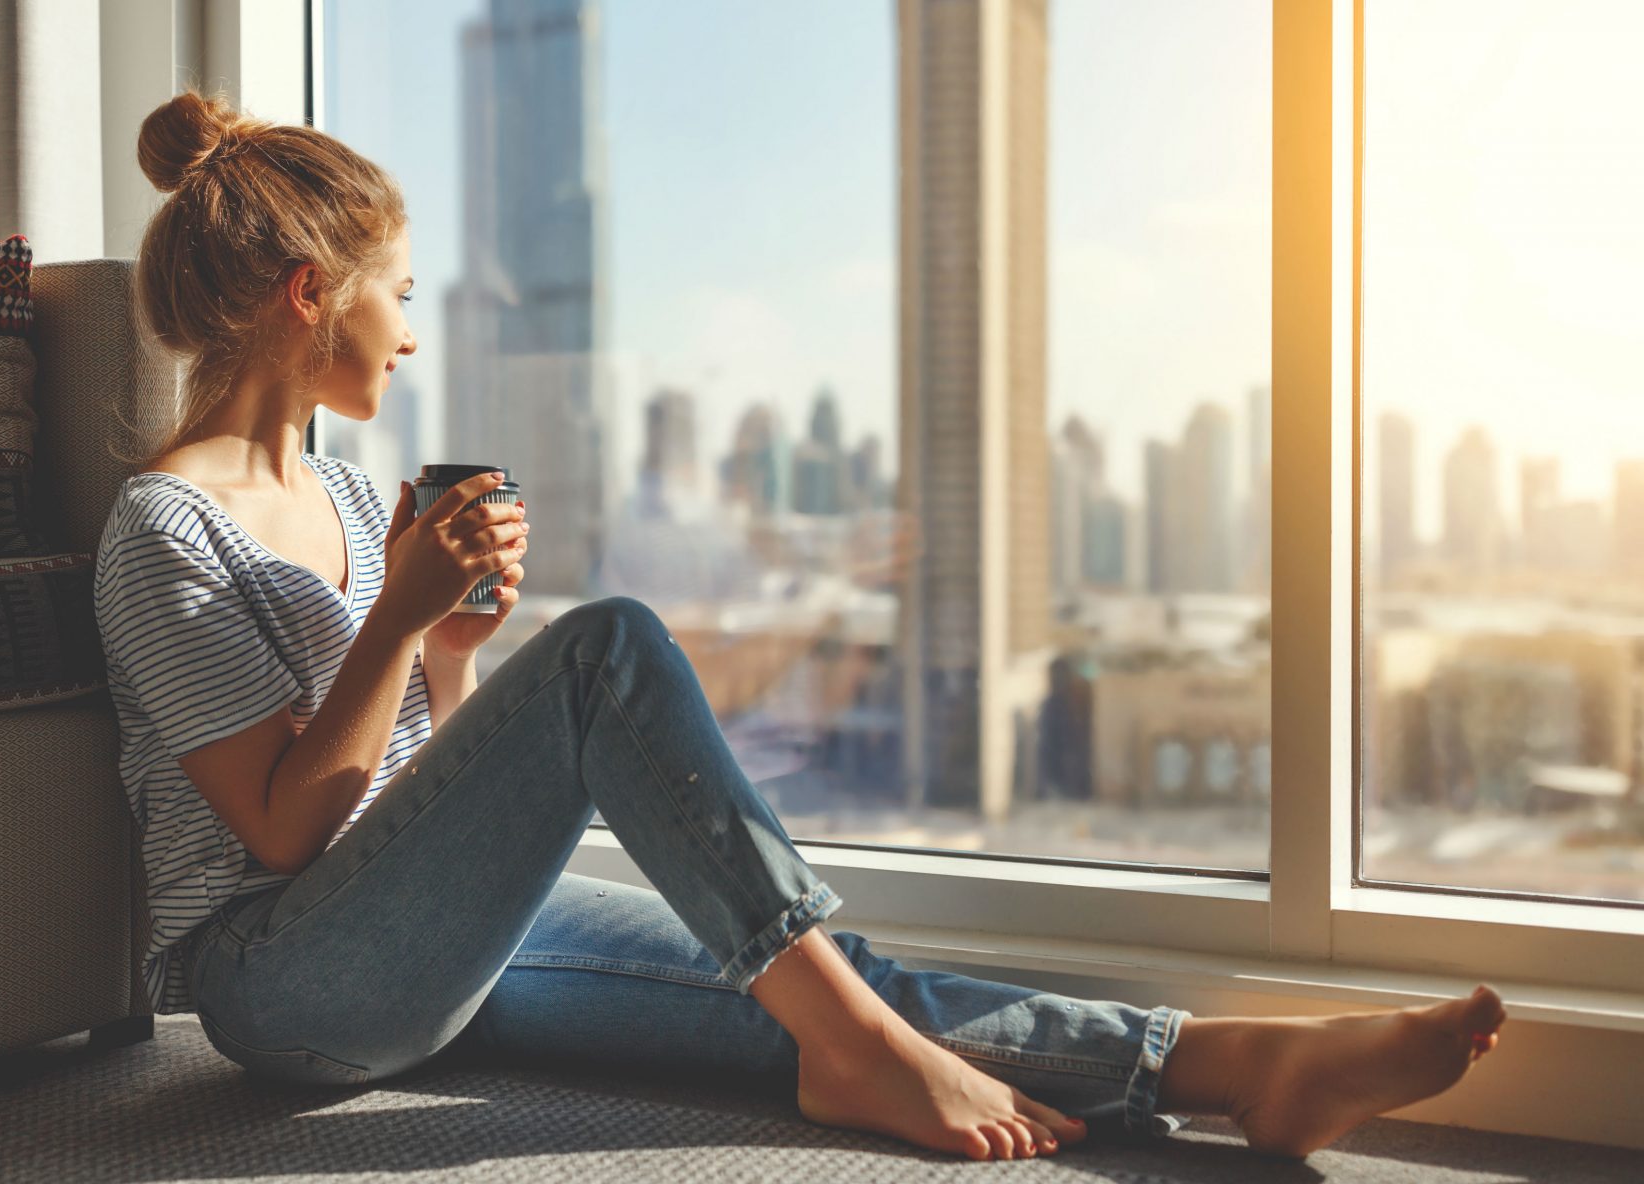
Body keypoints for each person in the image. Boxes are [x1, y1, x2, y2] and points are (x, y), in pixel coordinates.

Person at [92, 88, 1505, 1164]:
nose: (409, 329)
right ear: (308, 297)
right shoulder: (165, 530)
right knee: (610, 650)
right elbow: (281, 838)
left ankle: (1227, 1064)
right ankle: (878, 1057)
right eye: (395, 290)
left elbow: (406, 794)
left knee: (808, 975)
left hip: (410, 939)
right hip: (282, 988)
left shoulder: (345, 491)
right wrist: (399, 617)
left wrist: (446, 657)